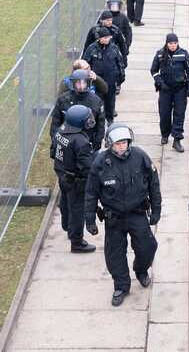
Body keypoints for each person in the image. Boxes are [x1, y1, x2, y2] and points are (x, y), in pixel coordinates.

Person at [84, 124, 161, 307]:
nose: (121, 146)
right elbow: (91, 192)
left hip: (137, 213)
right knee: (115, 254)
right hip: (114, 217)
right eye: (118, 143)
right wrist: (90, 219)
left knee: (148, 247)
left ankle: (141, 270)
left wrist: (156, 209)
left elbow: (153, 184)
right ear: (110, 144)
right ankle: (121, 286)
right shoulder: (100, 162)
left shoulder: (140, 157)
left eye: (124, 143)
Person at [51, 104, 97, 253]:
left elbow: (53, 151)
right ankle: (77, 242)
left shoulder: (60, 131)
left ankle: (66, 226)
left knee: (65, 202)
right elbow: (86, 166)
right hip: (76, 181)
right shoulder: (80, 141)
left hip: (62, 175)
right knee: (77, 211)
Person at [150, 33, 189, 152]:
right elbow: (153, 70)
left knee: (179, 115)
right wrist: (160, 82)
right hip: (165, 90)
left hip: (180, 89)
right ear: (167, 43)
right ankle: (165, 135)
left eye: (175, 43)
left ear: (177, 43)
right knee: (164, 114)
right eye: (170, 43)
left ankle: (177, 140)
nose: (173, 45)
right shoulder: (160, 54)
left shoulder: (183, 54)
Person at [50, 68, 106, 152]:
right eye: (78, 83)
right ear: (73, 83)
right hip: (66, 141)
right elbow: (55, 122)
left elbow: (100, 124)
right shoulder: (63, 99)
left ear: (88, 83)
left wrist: (97, 142)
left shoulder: (96, 101)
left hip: (88, 141)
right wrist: (55, 141)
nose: (81, 86)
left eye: (84, 82)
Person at [82, 27, 124, 126]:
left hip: (110, 80)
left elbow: (120, 63)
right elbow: (85, 63)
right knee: (96, 101)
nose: (107, 39)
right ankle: (96, 120)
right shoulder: (92, 48)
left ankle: (110, 119)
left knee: (110, 101)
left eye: (108, 37)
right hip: (96, 81)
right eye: (105, 38)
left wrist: (120, 77)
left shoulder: (114, 48)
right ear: (99, 38)